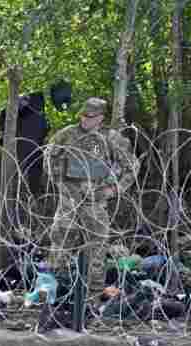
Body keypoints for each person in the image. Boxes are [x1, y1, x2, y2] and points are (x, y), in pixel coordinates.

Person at [44, 97, 138, 293]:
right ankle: (53, 288)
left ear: (101, 118)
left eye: (91, 116)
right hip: (69, 199)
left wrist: (115, 190)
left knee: (97, 245)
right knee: (60, 241)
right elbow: (49, 157)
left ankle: (93, 293)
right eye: (83, 115)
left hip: (96, 200)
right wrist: (58, 182)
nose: (85, 119)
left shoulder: (111, 139)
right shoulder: (67, 135)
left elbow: (132, 166)